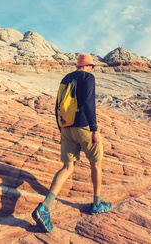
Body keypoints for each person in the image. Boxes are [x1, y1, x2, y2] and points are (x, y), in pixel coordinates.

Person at [32, 53, 112, 233]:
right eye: (92, 66)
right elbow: (89, 103)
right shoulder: (88, 77)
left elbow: (58, 104)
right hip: (84, 127)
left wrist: (61, 128)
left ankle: (44, 207)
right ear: (89, 66)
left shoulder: (66, 78)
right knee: (96, 164)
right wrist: (94, 129)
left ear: (78, 65)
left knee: (67, 167)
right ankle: (97, 204)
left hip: (66, 127)